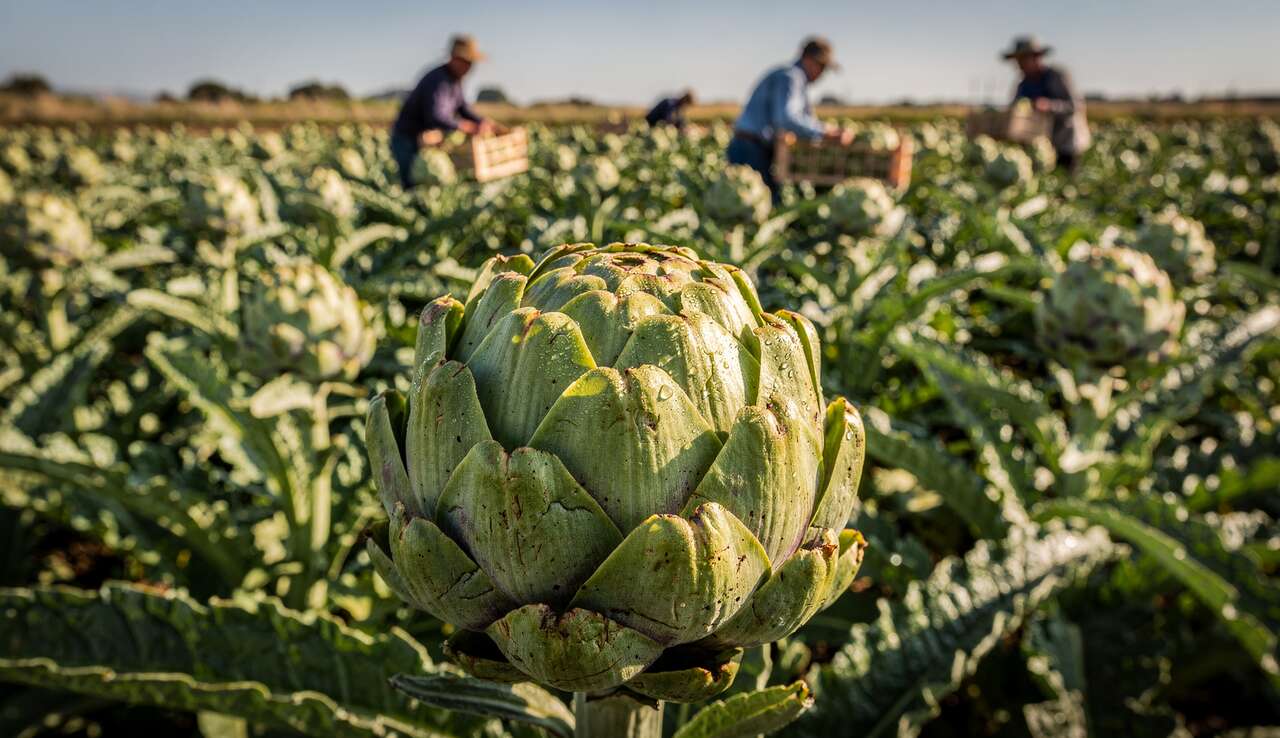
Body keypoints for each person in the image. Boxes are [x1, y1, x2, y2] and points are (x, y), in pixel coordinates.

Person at [728, 37, 853, 196]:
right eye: (821, 67)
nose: (822, 74)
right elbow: (787, 118)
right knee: (758, 202)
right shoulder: (791, 77)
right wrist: (825, 131)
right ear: (808, 60)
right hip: (750, 148)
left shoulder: (791, 78)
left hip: (751, 146)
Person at [390, 34, 498, 188]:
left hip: (424, 141)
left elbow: (463, 108)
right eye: (467, 62)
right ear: (454, 58)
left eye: (471, 63)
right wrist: (465, 126)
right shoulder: (438, 80)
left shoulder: (455, 81)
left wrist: (481, 121)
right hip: (407, 139)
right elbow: (436, 116)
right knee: (412, 187)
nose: (470, 68)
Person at [1003, 36, 1091, 172]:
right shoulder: (1023, 84)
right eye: (1018, 61)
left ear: (1036, 58)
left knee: (1065, 186)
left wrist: (1049, 105)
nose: (1019, 65)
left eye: (1022, 60)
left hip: (1066, 144)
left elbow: (1075, 106)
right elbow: (1014, 108)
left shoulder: (1056, 76)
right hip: (1039, 146)